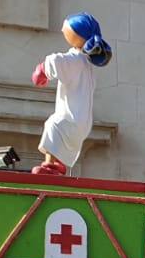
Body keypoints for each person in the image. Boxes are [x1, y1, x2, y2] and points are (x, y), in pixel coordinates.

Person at [30, 13, 111, 175]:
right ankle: (59, 163)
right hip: (82, 121)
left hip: (71, 117)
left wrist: (42, 70)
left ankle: (49, 165)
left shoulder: (76, 60)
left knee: (53, 125)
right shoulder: (87, 66)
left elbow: (56, 61)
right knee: (62, 134)